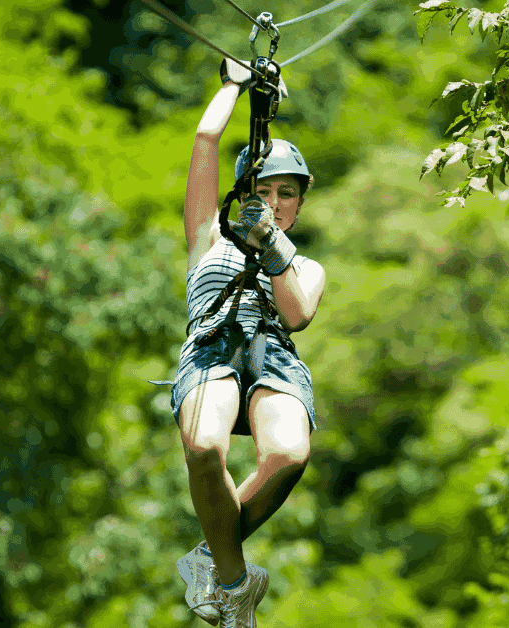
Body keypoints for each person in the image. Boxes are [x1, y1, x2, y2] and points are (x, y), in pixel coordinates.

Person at [171, 58, 326, 627]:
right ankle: (236, 582)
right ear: (243, 194)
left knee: (288, 455)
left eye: (287, 193)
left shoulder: (306, 265)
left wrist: (272, 246)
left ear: (300, 204)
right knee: (204, 449)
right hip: (213, 345)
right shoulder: (208, 237)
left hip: (273, 357)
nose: (276, 201)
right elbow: (206, 139)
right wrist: (235, 86)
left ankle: (211, 558)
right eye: (263, 190)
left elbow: (298, 313)